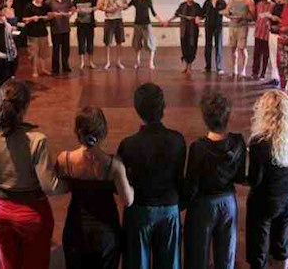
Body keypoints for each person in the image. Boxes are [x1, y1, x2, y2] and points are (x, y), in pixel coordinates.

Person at [0, 79, 67, 269]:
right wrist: (69, 184)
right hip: (31, 213)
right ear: (26, 105)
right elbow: (49, 186)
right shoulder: (37, 140)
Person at [56, 107, 134, 269]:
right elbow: (128, 200)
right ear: (103, 131)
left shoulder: (65, 160)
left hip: (75, 228)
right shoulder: (114, 165)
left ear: (77, 131)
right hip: (105, 232)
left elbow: (59, 187)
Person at [118, 83, 186, 269]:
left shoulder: (128, 145)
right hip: (169, 208)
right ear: (163, 107)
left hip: (140, 210)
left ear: (137, 109)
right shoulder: (177, 140)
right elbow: (179, 178)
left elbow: (124, 184)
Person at [184, 93, 246, 269]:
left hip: (203, 204)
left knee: (198, 256)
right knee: (226, 257)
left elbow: (192, 184)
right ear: (228, 116)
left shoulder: (198, 147)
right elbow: (240, 177)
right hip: (228, 202)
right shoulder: (238, 142)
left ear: (205, 118)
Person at [247, 90, 288, 269]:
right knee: (281, 245)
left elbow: (255, 179)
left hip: (264, 199)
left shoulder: (258, 141)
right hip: (287, 196)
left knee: (258, 247)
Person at [127, 0, 165, 70]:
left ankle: (151, 62)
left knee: (150, 43)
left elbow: (153, 13)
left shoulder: (148, 0)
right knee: (137, 44)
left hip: (146, 25)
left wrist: (161, 21)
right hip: (137, 25)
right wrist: (118, 6)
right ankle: (137, 62)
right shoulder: (135, 0)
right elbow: (126, 7)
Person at [223, 0, 256, 78]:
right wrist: (229, 16)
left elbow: (253, 16)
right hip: (232, 26)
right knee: (232, 48)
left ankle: (243, 70)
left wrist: (243, 17)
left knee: (242, 48)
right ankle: (235, 69)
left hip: (243, 27)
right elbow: (227, 11)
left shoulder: (248, 0)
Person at [167, 0, 203, 73]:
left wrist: (197, 18)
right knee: (184, 47)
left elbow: (201, 16)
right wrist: (168, 21)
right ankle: (186, 66)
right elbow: (177, 14)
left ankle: (190, 66)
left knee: (192, 47)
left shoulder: (196, 6)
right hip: (184, 30)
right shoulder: (182, 5)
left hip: (193, 31)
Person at [98, 0, 128, 70]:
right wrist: (107, 9)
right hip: (108, 20)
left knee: (119, 41)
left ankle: (118, 62)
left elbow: (126, 4)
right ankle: (108, 62)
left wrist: (121, 6)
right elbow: (99, 6)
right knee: (108, 42)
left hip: (118, 19)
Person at [46, 0, 74, 74]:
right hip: (56, 28)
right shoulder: (50, 0)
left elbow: (72, 9)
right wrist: (53, 14)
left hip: (66, 27)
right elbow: (46, 12)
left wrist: (70, 13)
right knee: (56, 49)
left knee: (66, 49)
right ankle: (55, 68)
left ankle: (65, 65)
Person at [23, 0, 52, 78]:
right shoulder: (29, 6)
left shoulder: (45, 6)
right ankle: (34, 70)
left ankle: (43, 68)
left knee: (43, 52)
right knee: (34, 53)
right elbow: (24, 19)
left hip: (43, 32)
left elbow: (49, 16)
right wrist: (32, 18)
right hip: (33, 33)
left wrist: (47, 17)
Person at [201, 0, 227, 74]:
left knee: (218, 46)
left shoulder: (222, 2)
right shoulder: (207, 2)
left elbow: (228, 12)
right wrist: (197, 18)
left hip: (218, 27)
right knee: (208, 46)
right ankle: (207, 67)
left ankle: (219, 67)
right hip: (208, 26)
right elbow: (202, 14)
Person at [73, 0, 98, 70]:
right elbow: (72, 9)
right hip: (80, 25)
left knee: (90, 44)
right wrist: (76, 10)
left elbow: (99, 5)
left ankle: (91, 62)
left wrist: (94, 9)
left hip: (90, 25)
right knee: (81, 43)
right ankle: (82, 62)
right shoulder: (76, 0)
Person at [251, 0, 275, 80]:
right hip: (258, 33)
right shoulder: (259, 4)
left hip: (267, 34)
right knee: (256, 54)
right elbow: (256, 16)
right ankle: (255, 72)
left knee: (266, 55)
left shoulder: (273, 6)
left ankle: (263, 73)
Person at [267, 0, 287, 87]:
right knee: (272, 56)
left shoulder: (286, 6)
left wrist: (277, 19)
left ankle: (279, 79)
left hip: (279, 34)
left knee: (279, 57)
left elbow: (285, 21)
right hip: (272, 32)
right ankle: (274, 77)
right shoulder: (276, 5)